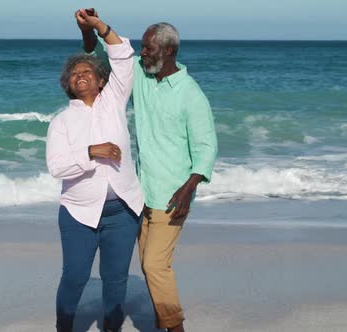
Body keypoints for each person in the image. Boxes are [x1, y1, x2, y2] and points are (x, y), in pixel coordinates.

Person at [81, 10, 218, 332]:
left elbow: (206, 147)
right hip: (140, 191)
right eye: (142, 47)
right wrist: (91, 28)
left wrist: (189, 189)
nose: (143, 53)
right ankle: (163, 322)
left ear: (168, 50)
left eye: (149, 48)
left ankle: (175, 327)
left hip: (173, 194)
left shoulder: (190, 94)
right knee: (150, 265)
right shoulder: (142, 78)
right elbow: (100, 54)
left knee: (155, 265)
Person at [46, 9, 144, 332]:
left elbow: (123, 56)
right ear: (69, 85)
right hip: (78, 213)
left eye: (88, 70)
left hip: (123, 212)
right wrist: (92, 151)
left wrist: (99, 27)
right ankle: (64, 326)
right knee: (75, 277)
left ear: (102, 80)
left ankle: (111, 328)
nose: (81, 75)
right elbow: (56, 165)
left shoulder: (114, 100)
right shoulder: (61, 121)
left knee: (116, 281)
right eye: (75, 74)